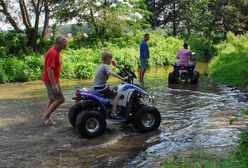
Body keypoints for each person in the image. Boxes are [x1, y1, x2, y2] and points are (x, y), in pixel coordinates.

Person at [94, 51, 128, 120]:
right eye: (110, 58)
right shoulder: (106, 66)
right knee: (117, 95)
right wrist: (122, 78)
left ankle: (111, 108)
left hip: (97, 87)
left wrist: (114, 64)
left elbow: (110, 71)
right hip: (102, 88)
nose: (111, 60)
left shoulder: (101, 65)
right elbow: (112, 73)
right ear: (107, 59)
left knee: (113, 90)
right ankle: (113, 113)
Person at [42, 35, 67, 125]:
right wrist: (54, 84)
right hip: (51, 80)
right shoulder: (53, 52)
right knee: (60, 99)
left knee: (52, 99)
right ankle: (45, 117)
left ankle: (46, 117)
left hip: (53, 79)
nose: (66, 44)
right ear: (59, 43)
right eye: (65, 42)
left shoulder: (56, 50)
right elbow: (49, 69)